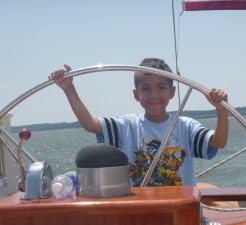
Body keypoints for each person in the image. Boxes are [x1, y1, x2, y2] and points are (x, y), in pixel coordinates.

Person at [49, 58, 228, 187]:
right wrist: (68, 88)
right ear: (136, 95)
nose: (153, 95)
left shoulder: (186, 126)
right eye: (145, 89)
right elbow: (90, 124)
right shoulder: (127, 126)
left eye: (161, 87)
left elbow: (218, 142)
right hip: (141, 210)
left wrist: (221, 110)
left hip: (179, 209)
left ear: (172, 92)